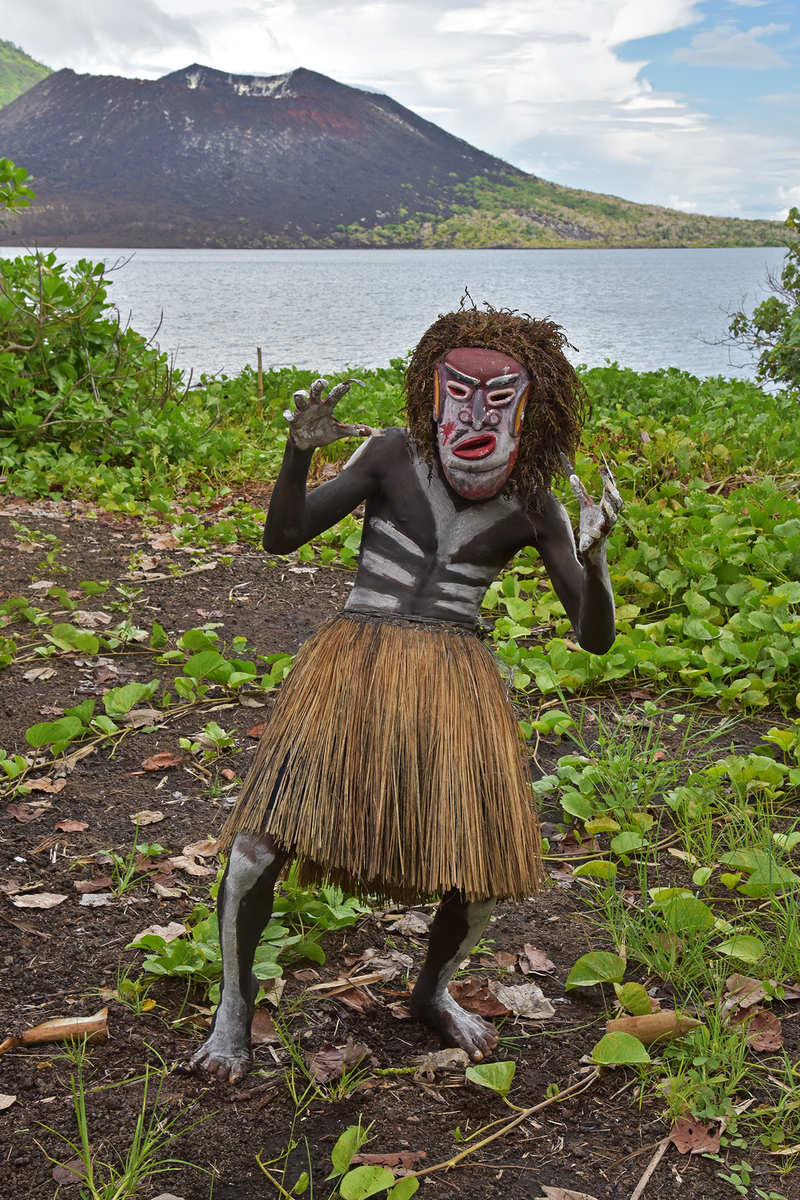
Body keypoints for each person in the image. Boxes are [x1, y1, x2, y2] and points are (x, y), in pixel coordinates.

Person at [190, 307, 621, 1083]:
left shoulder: (535, 503)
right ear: (431, 393)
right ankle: (232, 1012)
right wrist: (296, 454)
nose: (475, 415)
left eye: (499, 399)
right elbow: (282, 537)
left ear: (531, 407)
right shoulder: (391, 456)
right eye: (460, 393)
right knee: (255, 853)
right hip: (352, 667)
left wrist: (596, 565)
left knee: (483, 874)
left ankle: (432, 991)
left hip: (454, 684)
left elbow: (594, 638)